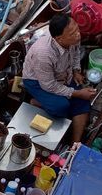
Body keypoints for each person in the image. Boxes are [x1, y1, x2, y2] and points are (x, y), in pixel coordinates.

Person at [21, 14, 96, 143]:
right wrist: (77, 93)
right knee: (61, 106)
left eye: (77, 29)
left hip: (63, 74)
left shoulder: (74, 38)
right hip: (37, 82)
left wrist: (76, 71)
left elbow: (76, 53)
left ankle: (76, 143)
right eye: (72, 33)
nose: (78, 34)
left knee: (83, 102)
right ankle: (36, 102)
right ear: (59, 39)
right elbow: (48, 85)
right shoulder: (43, 54)